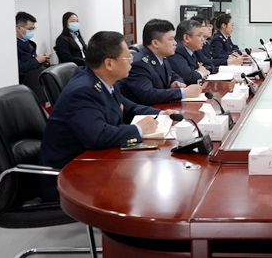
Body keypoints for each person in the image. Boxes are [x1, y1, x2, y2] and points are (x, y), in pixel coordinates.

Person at [39, 31, 179, 202]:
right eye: (127, 57)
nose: (132, 61)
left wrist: (161, 114)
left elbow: (128, 107)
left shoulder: (103, 80)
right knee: (142, 193)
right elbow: (98, 136)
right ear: (109, 63)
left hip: (97, 160)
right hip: (70, 175)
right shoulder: (83, 91)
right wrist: (138, 129)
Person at [119, 19, 203, 105]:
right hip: (146, 111)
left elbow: (174, 75)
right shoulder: (140, 64)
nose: (175, 43)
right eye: (171, 39)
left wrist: (177, 83)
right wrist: (183, 92)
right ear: (155, 43)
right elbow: (148, 95)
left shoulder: (161, 57)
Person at [169, 19, 211, 84]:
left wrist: (203, 71)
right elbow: (188, 77)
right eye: (200, 35)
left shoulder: (194, 49)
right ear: (186, 38)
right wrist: (201, 73)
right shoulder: (176, 50)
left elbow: (210, 64)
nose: (203, 39)